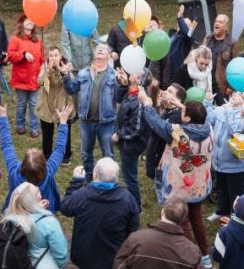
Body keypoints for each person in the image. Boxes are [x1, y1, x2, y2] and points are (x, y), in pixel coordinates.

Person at [141, 93, 215, 266]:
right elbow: (197, 118)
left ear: (186, 118)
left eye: (184, 113)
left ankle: (189, 256)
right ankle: (204, 255)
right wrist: (181, 105)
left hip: (179, 185)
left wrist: (146, 103)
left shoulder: (177, 133)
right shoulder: (208, 129)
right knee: (197, 217)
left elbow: (155, 123)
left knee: (184, 221)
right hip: (199, 185)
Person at [0, 101, 73, 213]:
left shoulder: (14, 171)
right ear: (44, 165)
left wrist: (3, 117)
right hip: (43, 212)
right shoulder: (49, 172)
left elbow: (6, 145)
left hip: (17, 214)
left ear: (23, 165)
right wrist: (63, 123)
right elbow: (60, 149)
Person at [63, 43, 118, 178]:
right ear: (93, 54)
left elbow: (120, 97)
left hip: (107, 123)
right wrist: (65, 75)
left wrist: (125, 84)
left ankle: (109, 180)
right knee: (86, 153)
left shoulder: (114, 75)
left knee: (108, 154)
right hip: (86, 122)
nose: (100, 49)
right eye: (97, 48)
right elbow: (71, 89)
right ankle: (89, 179)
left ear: (109, 55)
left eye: (104, 48)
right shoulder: (83, 73)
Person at [206, 91, 244, 220]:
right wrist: (208, 103)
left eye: (240, 94)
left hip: (236, 166)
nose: (234, 94)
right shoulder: (222, 109)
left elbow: (235, 130)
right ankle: (221, 211)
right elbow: (208, 119)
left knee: (236, 193)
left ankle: (236, 217)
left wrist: (231, 111)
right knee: (222, 188)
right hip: (220, 162)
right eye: (234, 93)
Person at [144, 83, 186, 206]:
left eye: (170, 92)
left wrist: (148, 106)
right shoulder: (167, 112)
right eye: (166, 89)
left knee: (167, 201)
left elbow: (159, 129)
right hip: (158, 162)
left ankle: (168, 217)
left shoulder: (177, 117)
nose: (165, 92)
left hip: (166, 166)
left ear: (178, 101)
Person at [113, 69, 149, 210]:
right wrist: (123, 85)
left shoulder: (139, 99)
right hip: (125, 142)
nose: (130, 74)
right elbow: (118, 99)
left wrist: (119, 135)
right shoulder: (131, 92)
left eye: (134, 74)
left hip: (131, 144)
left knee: (130, 178)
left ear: (139, 80)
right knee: (128, 174)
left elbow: (136, 129)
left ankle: (135, 207)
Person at [37, 47, 75, 165]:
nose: (53, 58)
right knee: (47, 132)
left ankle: (66, 155)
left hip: (62, 103)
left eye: (55, 55)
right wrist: (48, 72)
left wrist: (60, 71)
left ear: (60, 56)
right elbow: (43, 84)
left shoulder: (67, 66)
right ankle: (47, 154)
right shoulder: (44, 67)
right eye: (51, 56)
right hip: (47, 105)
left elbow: (71, 84)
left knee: (64, 131)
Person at [7, 15, 44, 137]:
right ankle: (20, 125)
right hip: (21, 79)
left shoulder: (38, 41)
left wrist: (43, 70)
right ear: (22, 23)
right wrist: (23, 54)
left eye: (32, 20)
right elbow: (10, 56)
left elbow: (41, 59)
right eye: (27, 20)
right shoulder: (16, 39)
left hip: (35, 79)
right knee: (22, 103)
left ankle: (34, 127)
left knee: (34, 104)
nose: (30, 22)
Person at [206, 15, 236, 104]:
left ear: (226, 27)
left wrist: (231, 86)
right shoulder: (208, 39)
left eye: (220, 22)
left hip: (221, 86)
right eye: (216, 21)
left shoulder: (232, 43)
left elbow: (234, 66)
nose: (217, 23)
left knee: (221, 110)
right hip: (206, 83)